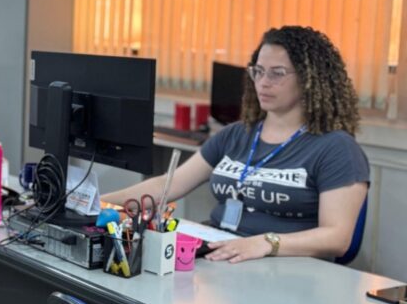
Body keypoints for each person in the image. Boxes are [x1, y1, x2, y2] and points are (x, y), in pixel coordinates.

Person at [102, 25, 369, 264]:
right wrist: (98, 203)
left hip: (283, 265)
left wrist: (266, 243)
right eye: (258, 71)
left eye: (277, 73)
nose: (263, 82)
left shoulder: (337, 148)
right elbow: (168, 184)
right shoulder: (236, 134)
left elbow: (337, 237)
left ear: (311, 79)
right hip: (221, 254)